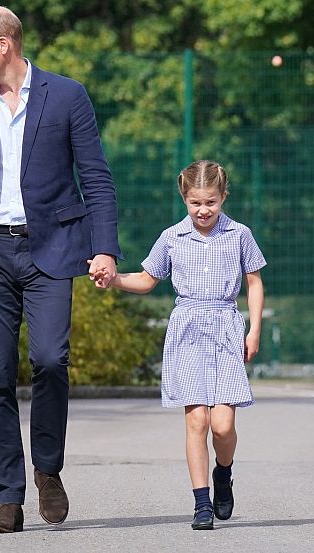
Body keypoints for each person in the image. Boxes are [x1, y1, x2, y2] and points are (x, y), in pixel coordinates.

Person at [0, 5, 121, 533]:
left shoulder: (67, 95)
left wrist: (104, 248)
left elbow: (96, 177)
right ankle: (7, 497)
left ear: (3, 45)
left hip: (53, 248)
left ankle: (48, 469)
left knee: (52, 360)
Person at [92, 160, 265, 530]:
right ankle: (202, 503)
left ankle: (224, 472)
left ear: (223, 197)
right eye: (196, 203)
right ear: (184, 198)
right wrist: (114, 279)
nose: (203, 211)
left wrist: (253, 330)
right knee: (197, 420)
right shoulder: (172, 237)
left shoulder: (239, 234)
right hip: (186, 330)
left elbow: (254, 281)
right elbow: (146, 278)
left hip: (225, 328)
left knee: (222, 425)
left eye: (211, 202)